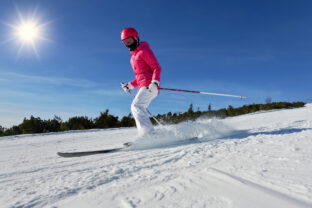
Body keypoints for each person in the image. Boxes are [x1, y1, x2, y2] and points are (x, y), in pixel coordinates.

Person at [120, 27, 161, 137]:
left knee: (136, 106)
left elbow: (156, 67)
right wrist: (130, 85)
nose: (128, 44)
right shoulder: (132, 59)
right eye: (125, 42)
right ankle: (149, 134)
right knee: (138, 107)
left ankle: (149, 135)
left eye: (129, 41)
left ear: (136, 38)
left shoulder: (144, 50)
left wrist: (155, 83)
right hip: (143, 86)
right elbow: (140, 78)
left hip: (150, 86)